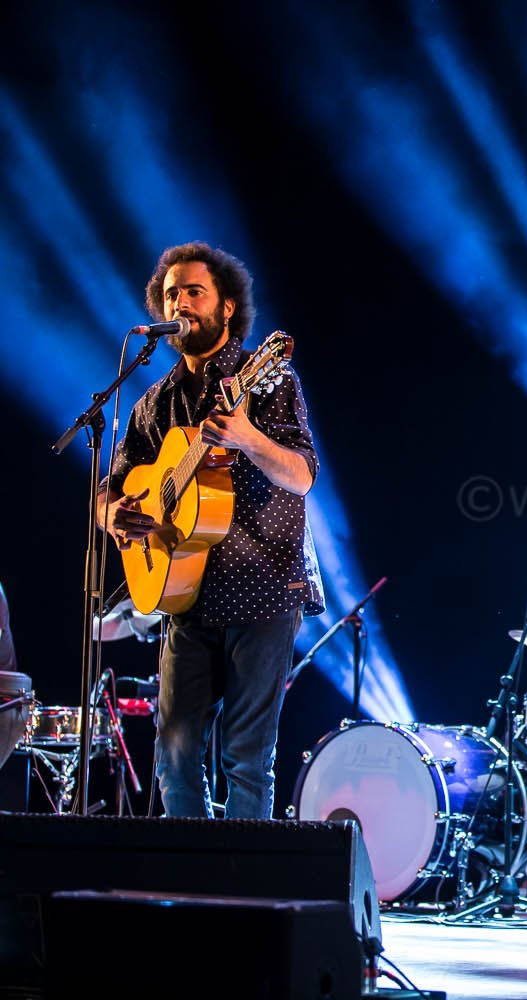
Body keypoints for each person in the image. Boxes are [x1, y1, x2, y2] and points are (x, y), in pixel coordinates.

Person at [96, 242, 324, 820]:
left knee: (245, 758)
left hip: (262, 588)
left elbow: (301, 475)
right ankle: (189, 871)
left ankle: (244, 874)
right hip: (185, 595)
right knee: (173, 755)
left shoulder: (267, 378)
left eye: (194, 291)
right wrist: (111, 513)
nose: (181, 302)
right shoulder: (156, 402)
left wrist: (247, 437)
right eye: (172, 293)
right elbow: (111, 486)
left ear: (227, 307)